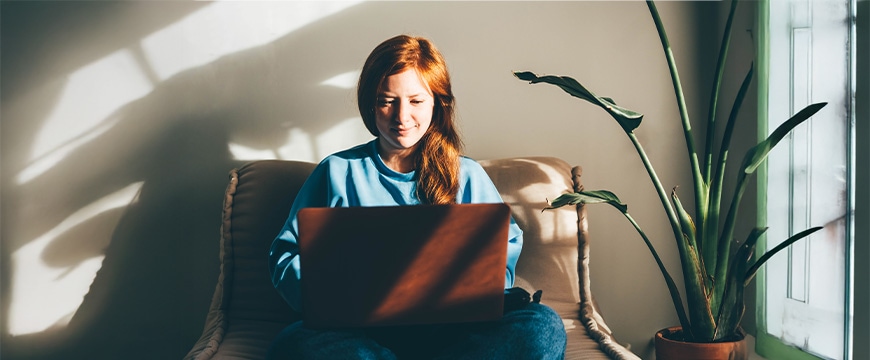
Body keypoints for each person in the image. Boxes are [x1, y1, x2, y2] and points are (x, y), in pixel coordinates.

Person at [267, 34, 567, 360]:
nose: (401, 116)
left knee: (543, 326)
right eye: (387, 101)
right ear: (370, 103)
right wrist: (327, 300)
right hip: (360, 333)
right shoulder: (336, 172)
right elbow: (286, 254)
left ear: (437, 103)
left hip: (454, 332)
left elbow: (501, 254)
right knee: (293, 344)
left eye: (416, 101)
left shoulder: (465, 175)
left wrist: (476, 290)